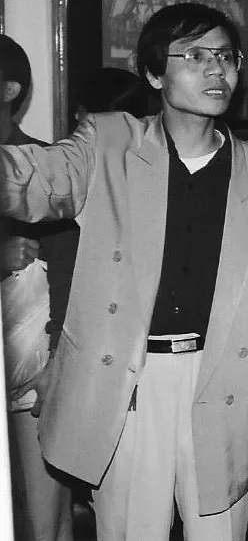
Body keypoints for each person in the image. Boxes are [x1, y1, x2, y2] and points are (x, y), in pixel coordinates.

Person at [0, 3, 248, 541]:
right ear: (155, 74)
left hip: (224, 384)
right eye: (195, 56)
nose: (216, 69)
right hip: (129, 380)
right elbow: (32, 179)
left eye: (225, 56)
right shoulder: (109, 144)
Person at [1, 33, 77, 541]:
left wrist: (58, 367)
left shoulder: (46, 167)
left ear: (9, 90)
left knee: (44, 519)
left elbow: (74, 277)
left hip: (34, 370)